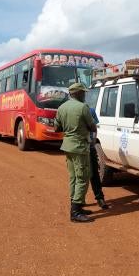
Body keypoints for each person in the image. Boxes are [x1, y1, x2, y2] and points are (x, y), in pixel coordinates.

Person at [54, 83, 97, 223]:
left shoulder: (61, 107)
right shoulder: (83, 107)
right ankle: (75, 212)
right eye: (83, 93)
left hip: (67, 146)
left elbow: (57, 128)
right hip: (79, 146)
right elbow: (92, 126)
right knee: (83, 177)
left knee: (73, 177)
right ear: (78, 94)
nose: (84, 95)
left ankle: (76, 205)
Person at [89, 108, 109, 209]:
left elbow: (94, 128)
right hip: (79, 148)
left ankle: (100, 198)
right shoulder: (68, 108)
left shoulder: (90, 110)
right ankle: (77, 202)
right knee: (79, 176)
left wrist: (92, 142)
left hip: (87, 147)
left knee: (94, 173)